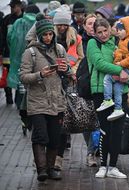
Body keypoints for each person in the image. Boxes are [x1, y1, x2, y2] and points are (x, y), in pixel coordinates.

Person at [19, 13, 71, 182]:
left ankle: (51, 168)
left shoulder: (60, 49)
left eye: (50, 34)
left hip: (57, 101)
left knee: (55, 137)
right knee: (40, 136)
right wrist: (40, 74)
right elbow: (23, 77)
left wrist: (65, 69)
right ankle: (41, 169)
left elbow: (68, 73)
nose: (48, 37)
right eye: (45, 34)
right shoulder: (30, 52)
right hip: (37, 101)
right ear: (39, 34)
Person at [87, 18, 129, 178]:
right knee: (105, 129)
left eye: (105, 30)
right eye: (99, 32)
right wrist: (120, 71)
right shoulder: (93, 44)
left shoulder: (119, 42)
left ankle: (113, 167)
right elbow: (99, 63)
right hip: (100, 91)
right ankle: (103, 165)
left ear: (110, 29)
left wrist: (128, 77)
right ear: (95, 33)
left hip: (120, 92)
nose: (103, 34)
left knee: (118, 130)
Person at [52, 10, 84, 170]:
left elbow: (80, 57)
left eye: (65, 23)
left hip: (69, 81)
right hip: (51, 81)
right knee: (51, 120)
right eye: (60, 24)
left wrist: (73, 72)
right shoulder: (49, 37)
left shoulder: (75, 38)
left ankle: (58, 158)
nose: (63, 27)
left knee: (64, 121)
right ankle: (48, 155)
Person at [96, 16, 129, 121]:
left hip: (128, 69)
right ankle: (118, 108)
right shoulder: (121, 41)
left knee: (107, 78)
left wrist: (120, 64)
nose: (118, 32)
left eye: (121, 30)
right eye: (118, 30)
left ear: (128, 30)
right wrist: (116, 55)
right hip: (124, 68)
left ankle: (107, 100)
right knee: (118, 89)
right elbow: (120, 52)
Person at [7, 4, 40, 133]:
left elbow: (9, 37)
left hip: (17, 56)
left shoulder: (17, 22)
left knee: (21, 82)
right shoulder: (38, 22)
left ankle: (22, 110)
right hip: (34, 57)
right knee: (32, 85)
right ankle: (30, 114)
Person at [80, 14, 98, 167]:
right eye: (89, 23)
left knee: (98, 120)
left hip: (100, 85)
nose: (92, 26)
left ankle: (93, 151)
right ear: (84, 26)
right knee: (86, 121)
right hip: (84, 85)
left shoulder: (103, 41)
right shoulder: (80, 41)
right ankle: (91, 150)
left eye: (95, 23)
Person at [1, 0, 24, 104]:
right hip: (8, 53)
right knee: (7, 74)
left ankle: (19, 98)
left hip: (21, 54)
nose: (11, 8)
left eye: (13, 6)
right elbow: (2, 36)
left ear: (19, 6)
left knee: (21, 75)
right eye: (10, 6)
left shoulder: (25, 19)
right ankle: (8, 96)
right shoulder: (7, 19)